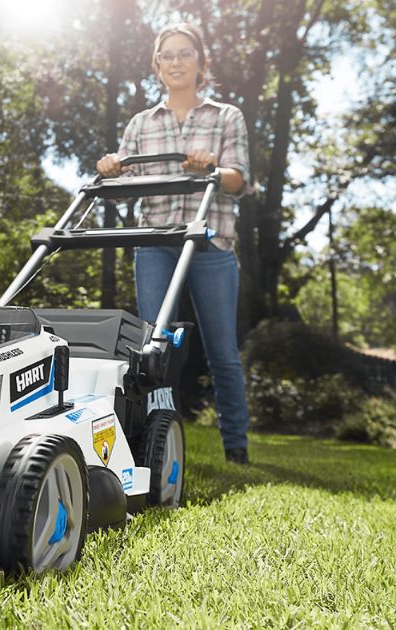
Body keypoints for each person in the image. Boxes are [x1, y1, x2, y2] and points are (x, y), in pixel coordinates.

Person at [96, 23, 253, 465]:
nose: (177, 62)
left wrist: (214, 168)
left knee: (222, 349)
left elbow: (239, 180)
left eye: (186, 54)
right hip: (157, 242)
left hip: (211, 242)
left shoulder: (226, 116)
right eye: (168, 56)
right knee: (155, 346)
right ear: (157, 65)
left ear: (202, 63)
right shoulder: (141, 124)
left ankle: (236, 447)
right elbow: (123, 175)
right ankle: (160, 446)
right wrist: (112, 166)